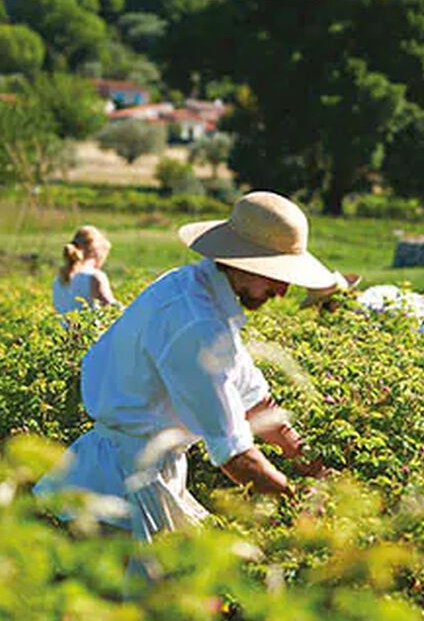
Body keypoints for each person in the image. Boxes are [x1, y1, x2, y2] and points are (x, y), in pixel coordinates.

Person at [36, 192, 339, 539]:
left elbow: (256, 403)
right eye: (274, 276)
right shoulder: (196, 324)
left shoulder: (197, 293)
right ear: (242, 263)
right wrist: (298, 506)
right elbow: (235, 455)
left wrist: (315, 465)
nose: (282, 291)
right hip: (117, 490)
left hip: (142, 473)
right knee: (137, 589)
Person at [52, 225, 117, 315]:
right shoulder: (94, 277)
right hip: (89, 328)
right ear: (97, 252)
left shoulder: (59, 279)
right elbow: (113, 309)